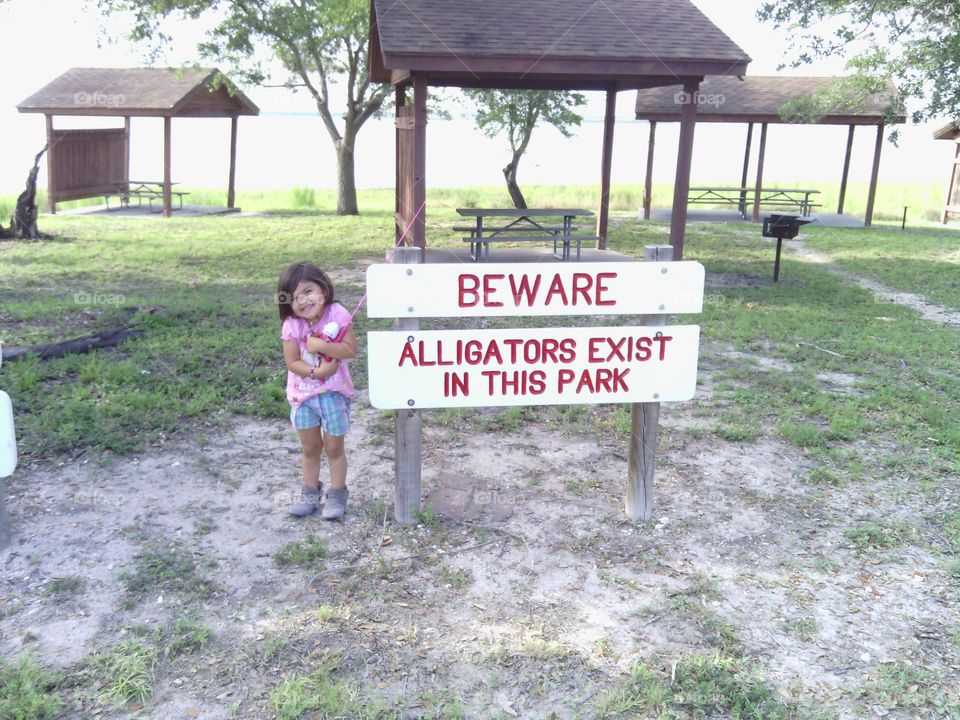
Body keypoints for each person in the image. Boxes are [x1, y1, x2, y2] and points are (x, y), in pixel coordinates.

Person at [277, 261, 357, 519]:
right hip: (303, 398)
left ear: (323, 289)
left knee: (334, 449)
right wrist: (316, 372)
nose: (303, 301)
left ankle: (337, 495)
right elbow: (292, 362)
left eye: (308, 291)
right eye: (295, 297)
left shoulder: (337, 313)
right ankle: (310, 493)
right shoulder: (292, 325)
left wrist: (321, 344)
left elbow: (349, 350)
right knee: (310, 449)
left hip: (334, 395)